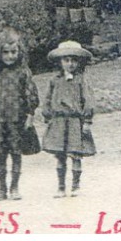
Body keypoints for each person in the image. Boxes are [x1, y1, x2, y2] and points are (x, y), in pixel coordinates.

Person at [0, 28, 39, 201]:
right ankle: (2, 188)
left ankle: (14, 187)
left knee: (16, 152)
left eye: (14, 52)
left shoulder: (23, 72)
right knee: (1, 153)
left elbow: (30, 95)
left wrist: (30, 114)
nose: (10, 56)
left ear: (20, 52)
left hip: (17, 119)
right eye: (5, 52)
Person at [40, 40, 96, 198]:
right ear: (60, 62)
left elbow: (88, 100)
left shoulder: (81, 80)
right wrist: (47, 115)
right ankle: (61, 186)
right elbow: (48, 100)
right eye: (66, 60)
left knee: (75, 154)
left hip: (75, 122)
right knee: (60, 155)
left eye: (74, 60)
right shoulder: (55, 81)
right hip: (58, 122)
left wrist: (87, 121)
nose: (70, 64)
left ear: (79, 62)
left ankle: (76, 186)